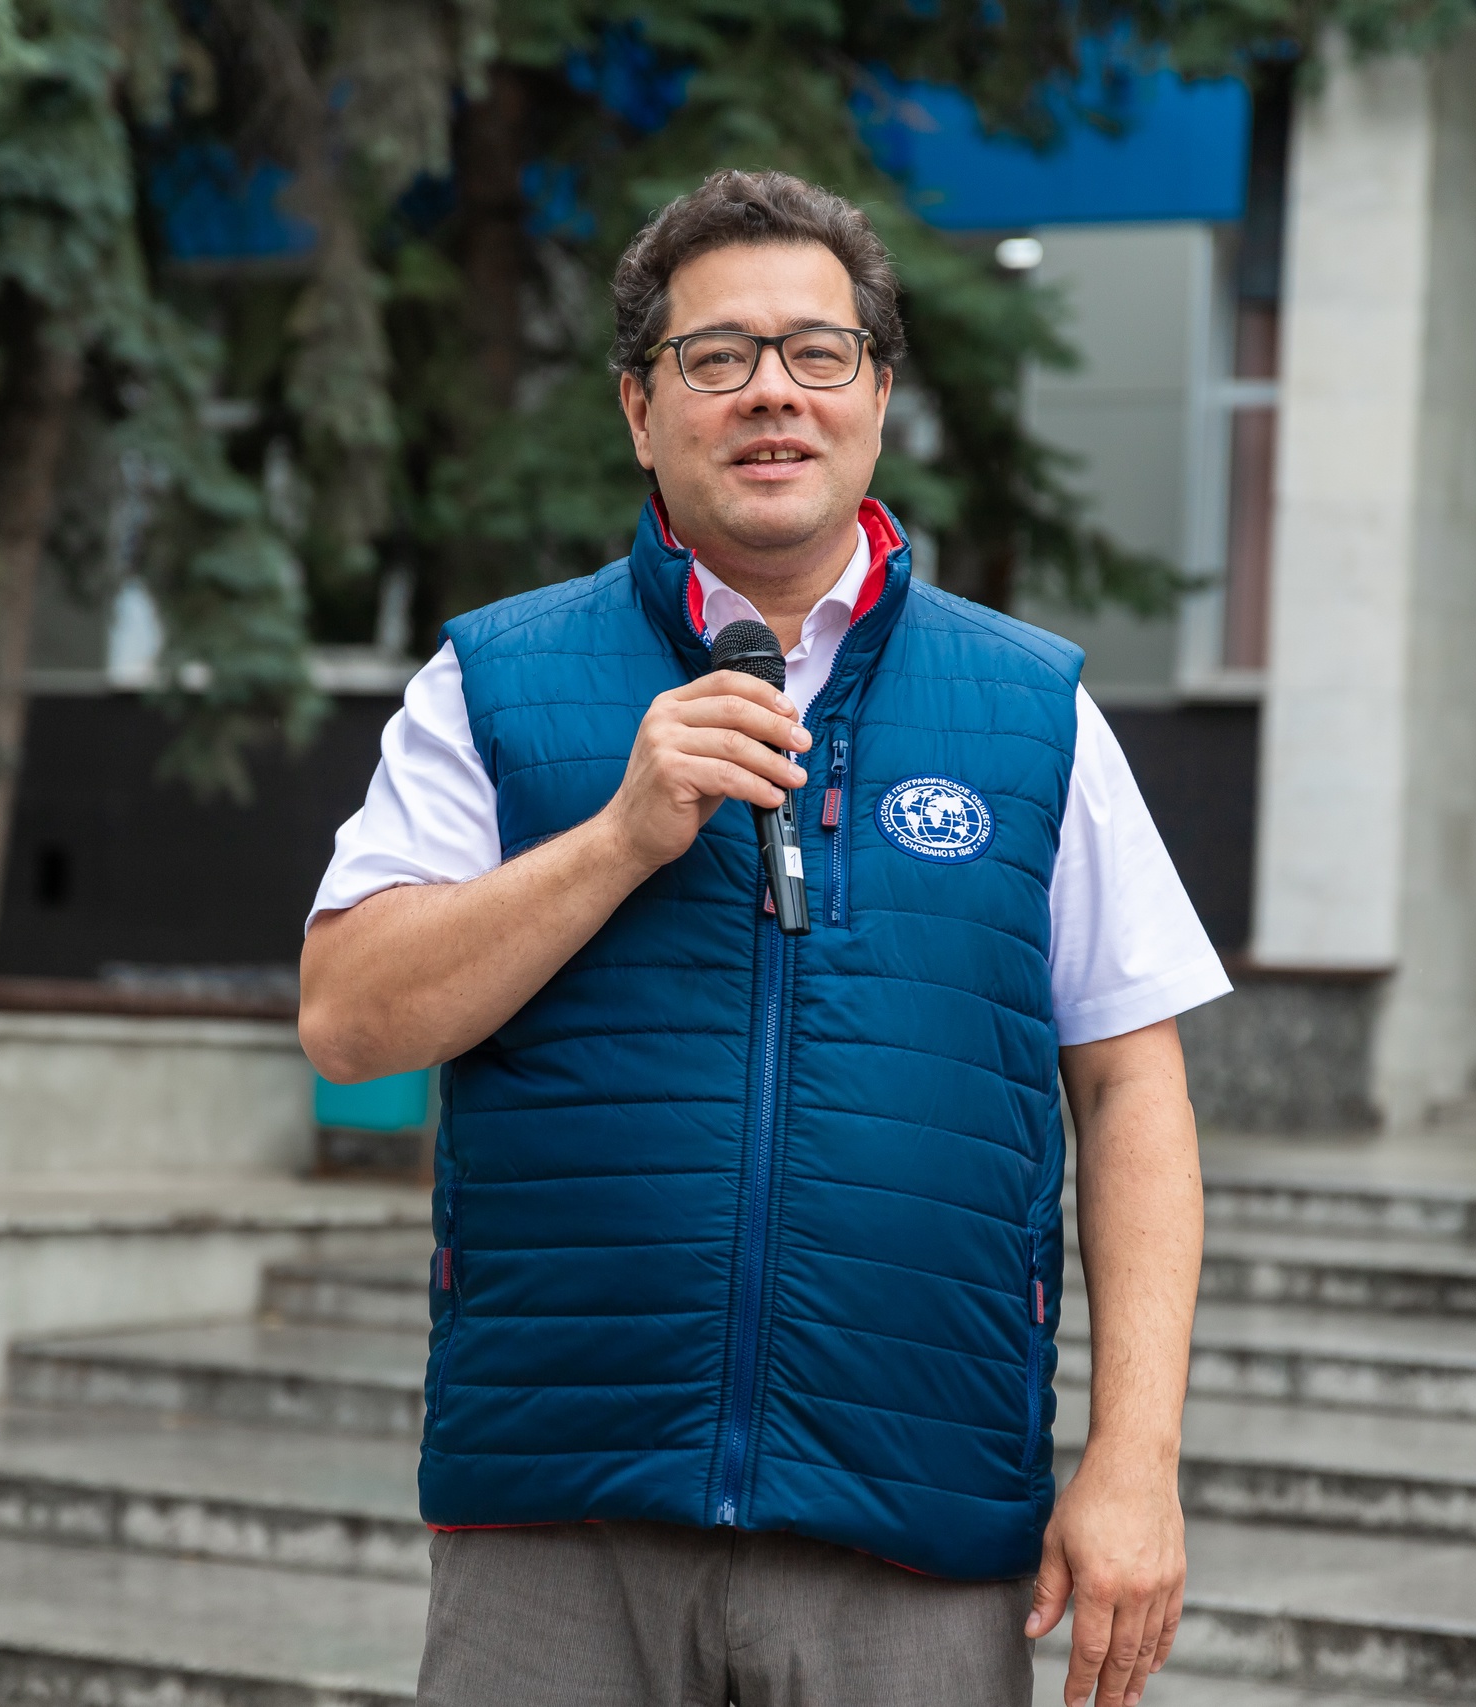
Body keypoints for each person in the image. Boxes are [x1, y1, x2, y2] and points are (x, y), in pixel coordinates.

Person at [300, 168, 1227, 1707]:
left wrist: (1135, 1459)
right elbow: (348, 1021)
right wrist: (614, 840)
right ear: (639, 408)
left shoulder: (1032, 712)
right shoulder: (494, 683)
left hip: (915, 1524)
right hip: (559, 1517)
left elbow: (1135, 1087)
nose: (772, 393)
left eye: (819, 351)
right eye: (717, 356)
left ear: (878, 395)